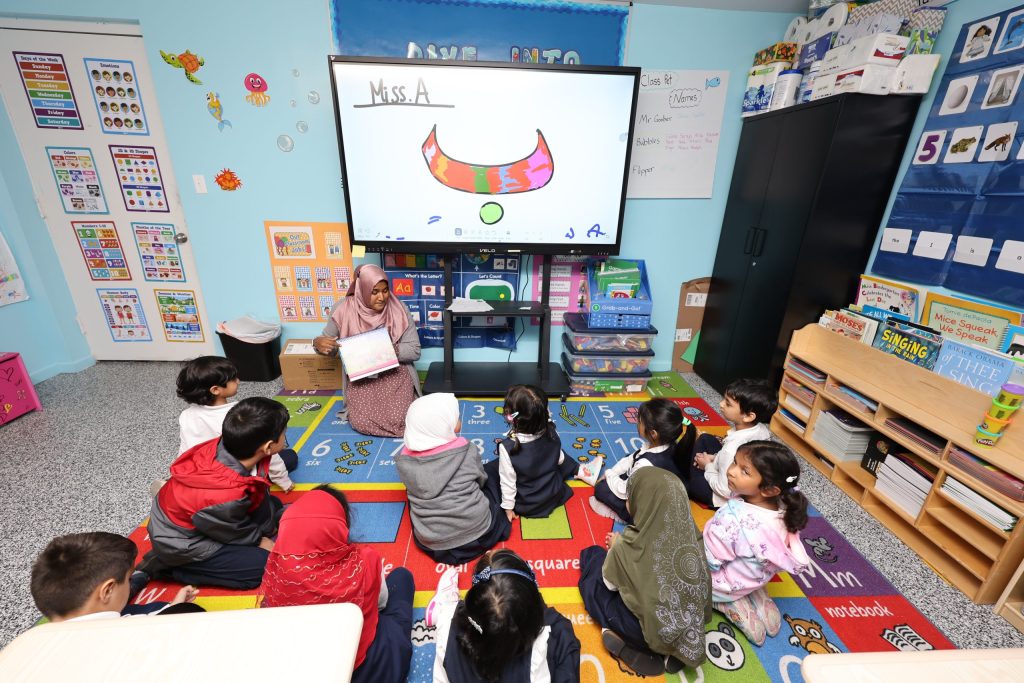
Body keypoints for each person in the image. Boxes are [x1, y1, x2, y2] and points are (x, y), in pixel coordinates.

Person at [260, 486, 414, 683]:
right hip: (369, 669)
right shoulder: (364, 560)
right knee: (401, 578)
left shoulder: (277, 570)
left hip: (306, 673)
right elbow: (381, 603)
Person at [136, 397, 288, 589]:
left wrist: (266, 527)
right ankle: (167, 567)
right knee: (262, 566)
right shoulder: (225, 496)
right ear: (268, 447)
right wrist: (258, 539)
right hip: (183, 542)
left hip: (210, 517)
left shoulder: (229, 446)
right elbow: (228, 528)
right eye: (284, 434)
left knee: (273, 505)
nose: (286, 437)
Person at [579, 467, 710, 677]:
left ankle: (633, 646)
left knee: (592, 559)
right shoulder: (694, 539)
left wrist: (615, 549)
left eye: (630, 497)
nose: (627, 502)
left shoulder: (631, 543)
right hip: (688, 631)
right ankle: (673, 653)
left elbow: (609, 583)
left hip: (645, 631)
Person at [703, 441, 810, 646]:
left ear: (769, 490)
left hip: (725, 584)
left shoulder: (732, 519)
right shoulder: (786, 508)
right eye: (735, 463)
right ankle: (754, 593)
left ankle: (727, 602)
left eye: (744, 471)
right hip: (757, 576)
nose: (731, 471)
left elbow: (710, 561)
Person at [429, 549, 580, 683]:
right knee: (560, 629)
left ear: (477, 596)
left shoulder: (447, 623)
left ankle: (444, 603)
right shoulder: (545, 643)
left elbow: (441, 678)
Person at [396, 393, 511, 565]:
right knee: (493, 476)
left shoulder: (404, 461)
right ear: (443, 425)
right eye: (455, 418)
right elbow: (481, 481)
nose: (458, 421)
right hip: (481, 533)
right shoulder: (467, 450)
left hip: (434, 545)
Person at [312, 264, 421, 437]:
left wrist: (381, 348)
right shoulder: (342, 309)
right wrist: (318, 343)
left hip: (395, 374)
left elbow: (414, 350)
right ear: (361, 289)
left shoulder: (399, 308)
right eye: (374, 292)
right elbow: (330, 347)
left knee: (400, 418)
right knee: (361, 422)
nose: (381, 297)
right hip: (362, 377)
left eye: (385, 291)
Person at [175, 356, 295, 492]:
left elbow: (184, 451)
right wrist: (284, 481)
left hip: (199, 475)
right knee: (290, 457)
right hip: (233, 478)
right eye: (233, 379)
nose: (238, 381)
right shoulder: (238, 417)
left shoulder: (186, 415)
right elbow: (268, 455)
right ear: (215, 390)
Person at [485, 384, 598, 521]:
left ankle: (580, 471)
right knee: (558, 454)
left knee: (490, 471)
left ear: (512, 417)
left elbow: (508, 482)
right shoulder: (551, 431)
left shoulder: (507, 448)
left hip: (526, 504)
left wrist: (508, 508)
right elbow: (559, 458)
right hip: (553, 495)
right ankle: (582, 471)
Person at [30, 532, 203, 622]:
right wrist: (175, 609)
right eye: (128, 579)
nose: (128, 583)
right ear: (107, 591)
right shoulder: (138, 626)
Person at [590, 398, 696, 524]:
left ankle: (623, 516)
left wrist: (608, 474)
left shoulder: (645, 463)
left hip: (649, 510)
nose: (637, 423)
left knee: (601, 489)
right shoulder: (672, 444)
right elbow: (631, 459)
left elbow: (624, 490)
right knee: (629, 459)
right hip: (661, 493)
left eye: (640, 421)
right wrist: (614, 472)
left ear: (653, 433)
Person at [690, 378, 777, 508]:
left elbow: (724, 490)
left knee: (685, 477)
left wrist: (708, 466)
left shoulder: (731, 449)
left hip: (722, 496)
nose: (721, 404)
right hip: (743, 478)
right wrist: (714, 458)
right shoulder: (762, 429)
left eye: (728, 403)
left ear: (748, 416)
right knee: (706, 439)